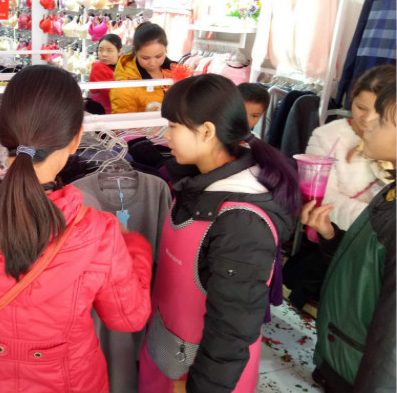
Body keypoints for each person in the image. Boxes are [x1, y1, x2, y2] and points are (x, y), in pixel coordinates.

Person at [0, 65, 153, 393]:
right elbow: (128, 317)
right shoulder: (97, 231)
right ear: (75, 139)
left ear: (1, 131)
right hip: (69, 383)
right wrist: (134, 247)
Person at [139, 74, 297, 393]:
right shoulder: (196, 184)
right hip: (167, 351)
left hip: (199, 376)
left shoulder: (241, 221)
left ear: (207, 131)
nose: (165, 135)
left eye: (173, 126)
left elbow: (232, 328)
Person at [303, 80, 395, 393]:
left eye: (380, 119)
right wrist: (330, 237)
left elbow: (391, 347)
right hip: (344, 357)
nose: (366, 123)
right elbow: (365, 271)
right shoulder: (389, 194)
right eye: (362, 109)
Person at [306, 64, 395, 230]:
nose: (367, 119)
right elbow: (320, 196)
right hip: (339, 231)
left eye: (380, 113)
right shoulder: (328, 137)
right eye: (361, 107)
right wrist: (379, 224)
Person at [110, 22, 173, 113]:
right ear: (135, 51)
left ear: (166, 49)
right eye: (145, 58)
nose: (152, 63)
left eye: (159, 56)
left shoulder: (175, 71)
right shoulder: (125, 85)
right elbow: (123, 120)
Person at [88, 34, 122, 114]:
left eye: (109, 50)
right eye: (100, 50)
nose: (104, 54)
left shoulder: (121, 64)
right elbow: (113, 93)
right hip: (104, 116)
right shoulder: (98, 67)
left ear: (119, 52)